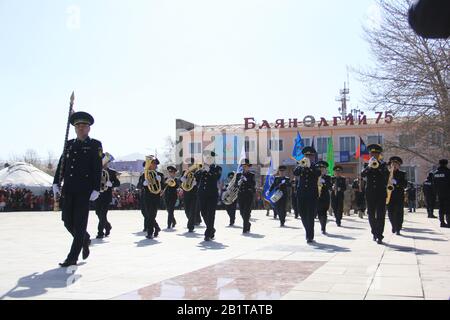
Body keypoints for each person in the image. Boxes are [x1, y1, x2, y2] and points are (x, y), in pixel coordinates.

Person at [52, 111, 103, 267]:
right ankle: (84, 239)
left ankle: (72, 257)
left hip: (84, 191)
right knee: (67, 221)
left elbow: (97, 167)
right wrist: (56, 182)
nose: (81, 128)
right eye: (78, 126)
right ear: (74, 128)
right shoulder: (69, 144)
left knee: (80, 223)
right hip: (68, 189)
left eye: (84, 126)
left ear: (89, 128)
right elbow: (62, 164)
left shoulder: (95, 145)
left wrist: (96, 188)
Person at [361, 144, 389, 244]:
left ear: (379, 154)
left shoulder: (384, 164)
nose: (374, 155)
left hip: (381, 193)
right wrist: (369, 166)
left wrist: (379, 166)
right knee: (371, 214)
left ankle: (380, 235)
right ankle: (374, 232)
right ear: (370, 154)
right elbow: (362, 175)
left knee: (381, 215)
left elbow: (386, 176)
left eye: (376, 154)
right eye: (372, 153)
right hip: (370, 194)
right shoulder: (366, 165)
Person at [294, 146, 321, 243]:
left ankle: (309, 235)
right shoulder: (300, 165)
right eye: (306, 155)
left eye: (310, 155)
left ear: (313, 157)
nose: (308, 157)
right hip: (301, 193)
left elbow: (317, 174)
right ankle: (308, 231)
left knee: (310, 214)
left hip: (311, 194)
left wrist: (310, 167)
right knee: (302, 213)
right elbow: (295, 172)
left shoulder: (315, 166)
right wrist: (302, 166)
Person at [195, 150, 222, 241]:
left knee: (211, 214)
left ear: (213, 159)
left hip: (212, 195)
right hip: (202, 194)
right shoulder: (202, 168)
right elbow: (196, 178)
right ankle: (211, 229)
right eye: (207, 158)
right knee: (203, 213)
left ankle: (208, 233)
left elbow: (217, 177)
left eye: (210, 158)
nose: (208, 159)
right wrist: (199, 170)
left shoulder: (217, 168)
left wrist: (209, 170)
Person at [95, 153, 120, 239]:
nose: (105, 163)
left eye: (106, 161)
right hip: (97, 195)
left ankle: (100, 232)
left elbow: (118, 183)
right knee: (98, 213)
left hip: (106, 196)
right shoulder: (96, 171)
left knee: (103, 214)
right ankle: (108, 226)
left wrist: (111, 184)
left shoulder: (112, 172)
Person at [141, 155, 165, 239]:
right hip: (147, 196)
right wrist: (144, 183)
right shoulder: (145, 174)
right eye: (152, 163)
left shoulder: (160, 174)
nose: (154, 165)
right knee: (148, 215)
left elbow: (163, 186)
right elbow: (140, 185)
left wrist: (160, 181)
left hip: (155, 197)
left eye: (155, 164)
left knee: (152, 214)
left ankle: (150, 232)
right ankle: (156, 227)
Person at [386, 156, 408, 235]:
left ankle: (398, 228)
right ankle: (393, 225)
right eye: (392, 164)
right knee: (390, 213)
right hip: (389, 196)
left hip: (399, 196)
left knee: (399, 212)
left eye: (396, 164)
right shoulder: (386, 173)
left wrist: (396, 182)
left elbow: (405, 185)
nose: (394, 166)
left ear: (399, 165)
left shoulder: (402, 174)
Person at [236, 159, 256, 233]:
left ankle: (245, 228)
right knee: (241, 212)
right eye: (243, 166)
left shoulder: (252, 175)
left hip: (248, 195)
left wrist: (246, 180)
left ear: (248, 167)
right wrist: (238, 182)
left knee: (246, 212)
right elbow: (235, 185)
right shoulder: (239, 175)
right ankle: (247, 224)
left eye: (246, 166)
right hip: (241, 195)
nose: (244, 168)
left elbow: (253, 184)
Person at [316, 161, 332, 234]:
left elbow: (330, 187)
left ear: (325, 169)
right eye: (320, 168)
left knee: (324, 213)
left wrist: (324, 182)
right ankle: (322, 224)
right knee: (319, 213)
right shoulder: (315, 176)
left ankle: (323, 227)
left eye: (323, 168)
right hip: (317, 197)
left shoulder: (328, 177)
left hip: (325, 197)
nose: (321, 170)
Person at [433, 159, 450, 228]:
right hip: (448, 193)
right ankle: (449, 222)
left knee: (441, 208)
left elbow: (434, 184)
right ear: (446, 164)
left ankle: (442, 222)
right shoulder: (448, 172)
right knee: (448, 208)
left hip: (439, 194)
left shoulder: (435, 173)